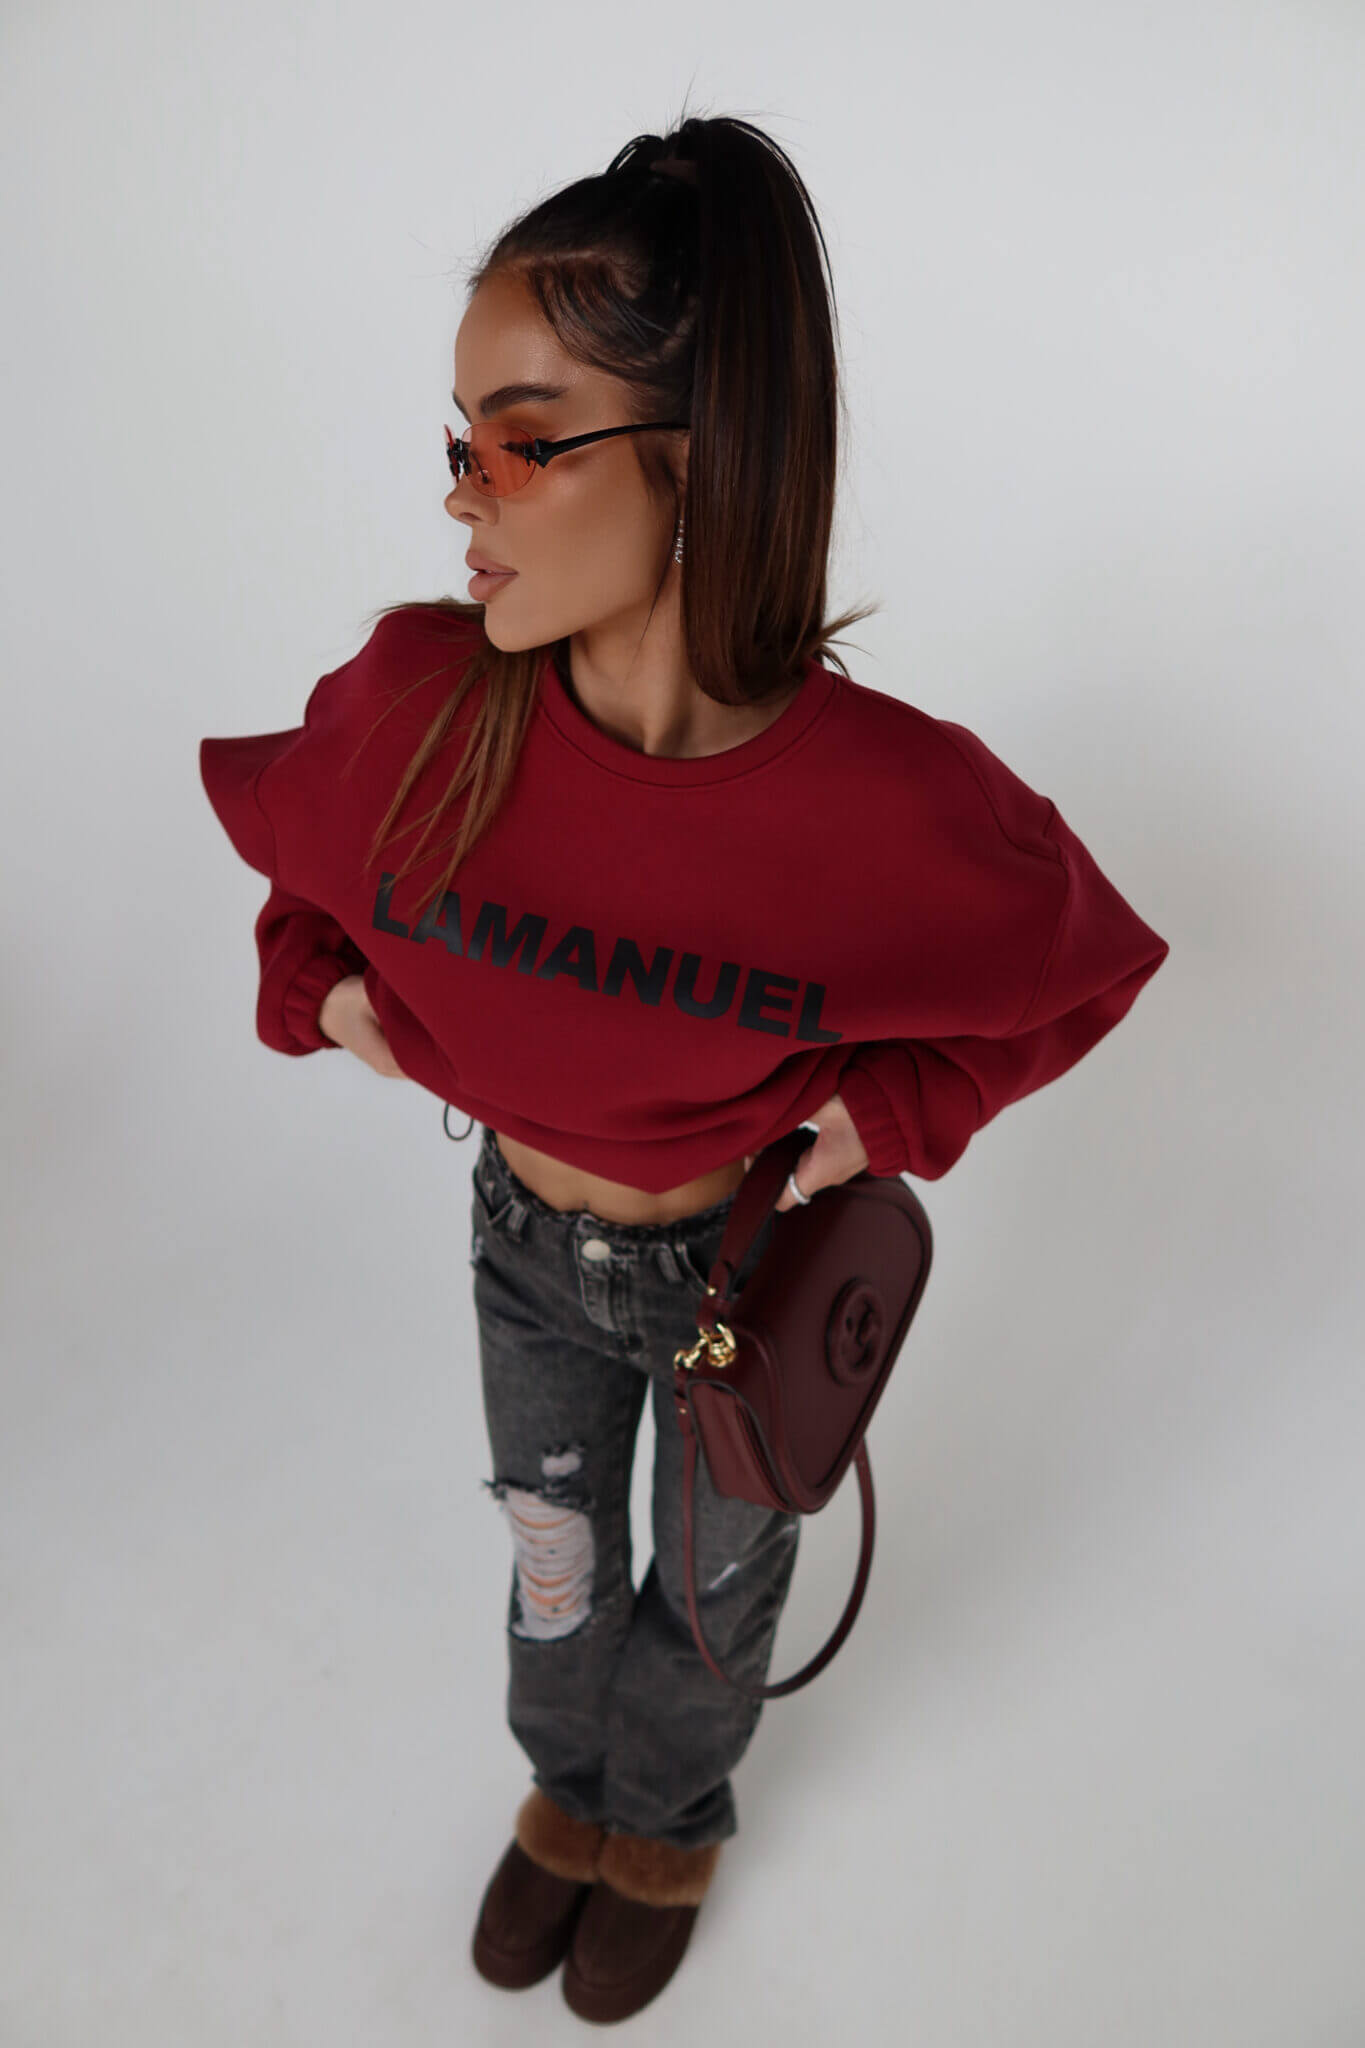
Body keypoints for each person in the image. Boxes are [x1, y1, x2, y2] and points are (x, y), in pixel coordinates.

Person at [199, 109, 1169, 2025]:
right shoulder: (418, 704)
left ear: (702, 455)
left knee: (714, 1590)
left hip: (738, 1277)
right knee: (553, 1555)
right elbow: (296, 860)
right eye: (456, 443)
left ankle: (665, 1822)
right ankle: (563, 1796)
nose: (465, 500)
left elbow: (1088, 969)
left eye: (520, 441)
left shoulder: (891, 807)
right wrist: (321, 993)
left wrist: (894, 1116)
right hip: (523, 1253)